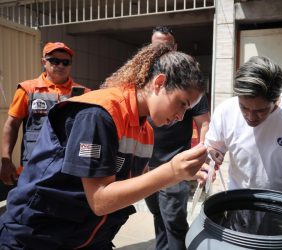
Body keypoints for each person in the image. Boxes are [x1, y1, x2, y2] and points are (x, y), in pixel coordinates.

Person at [0, 43, 208, 249]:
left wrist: (182, 173)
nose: (181, 117)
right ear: (159, 83)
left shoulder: (145, 131)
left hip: (85, 237)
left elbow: (136, 182)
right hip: (36, 236)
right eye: (182, 103)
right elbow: (100, 200)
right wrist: (171, 171)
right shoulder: (100, 115)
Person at [205, 56, 282, 217]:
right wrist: (212, 154)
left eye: (260, 111)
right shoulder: (225, 112)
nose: (250, 116)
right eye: (243, 107)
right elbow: (212, 148)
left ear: (276, 99)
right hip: (240, 205)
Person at [145, 26, 210, 250]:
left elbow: (204, 124)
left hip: (175, 165)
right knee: (158, 218)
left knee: (174, 222)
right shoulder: (142, 79)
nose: (162, 50)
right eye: (157, 46)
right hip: (146, 164)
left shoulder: (187, 82)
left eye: (167, 46)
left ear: (175, 47)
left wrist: (203, 158)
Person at [0, 42, 90, 189]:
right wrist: (6, 160)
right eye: (54, 61)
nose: (61, 65)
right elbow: (12, 124)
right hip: (34, 167)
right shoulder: (27, 89)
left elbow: (88, 133)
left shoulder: (85, 93)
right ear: (44, 62)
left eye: (65, 62)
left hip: (68, 169)